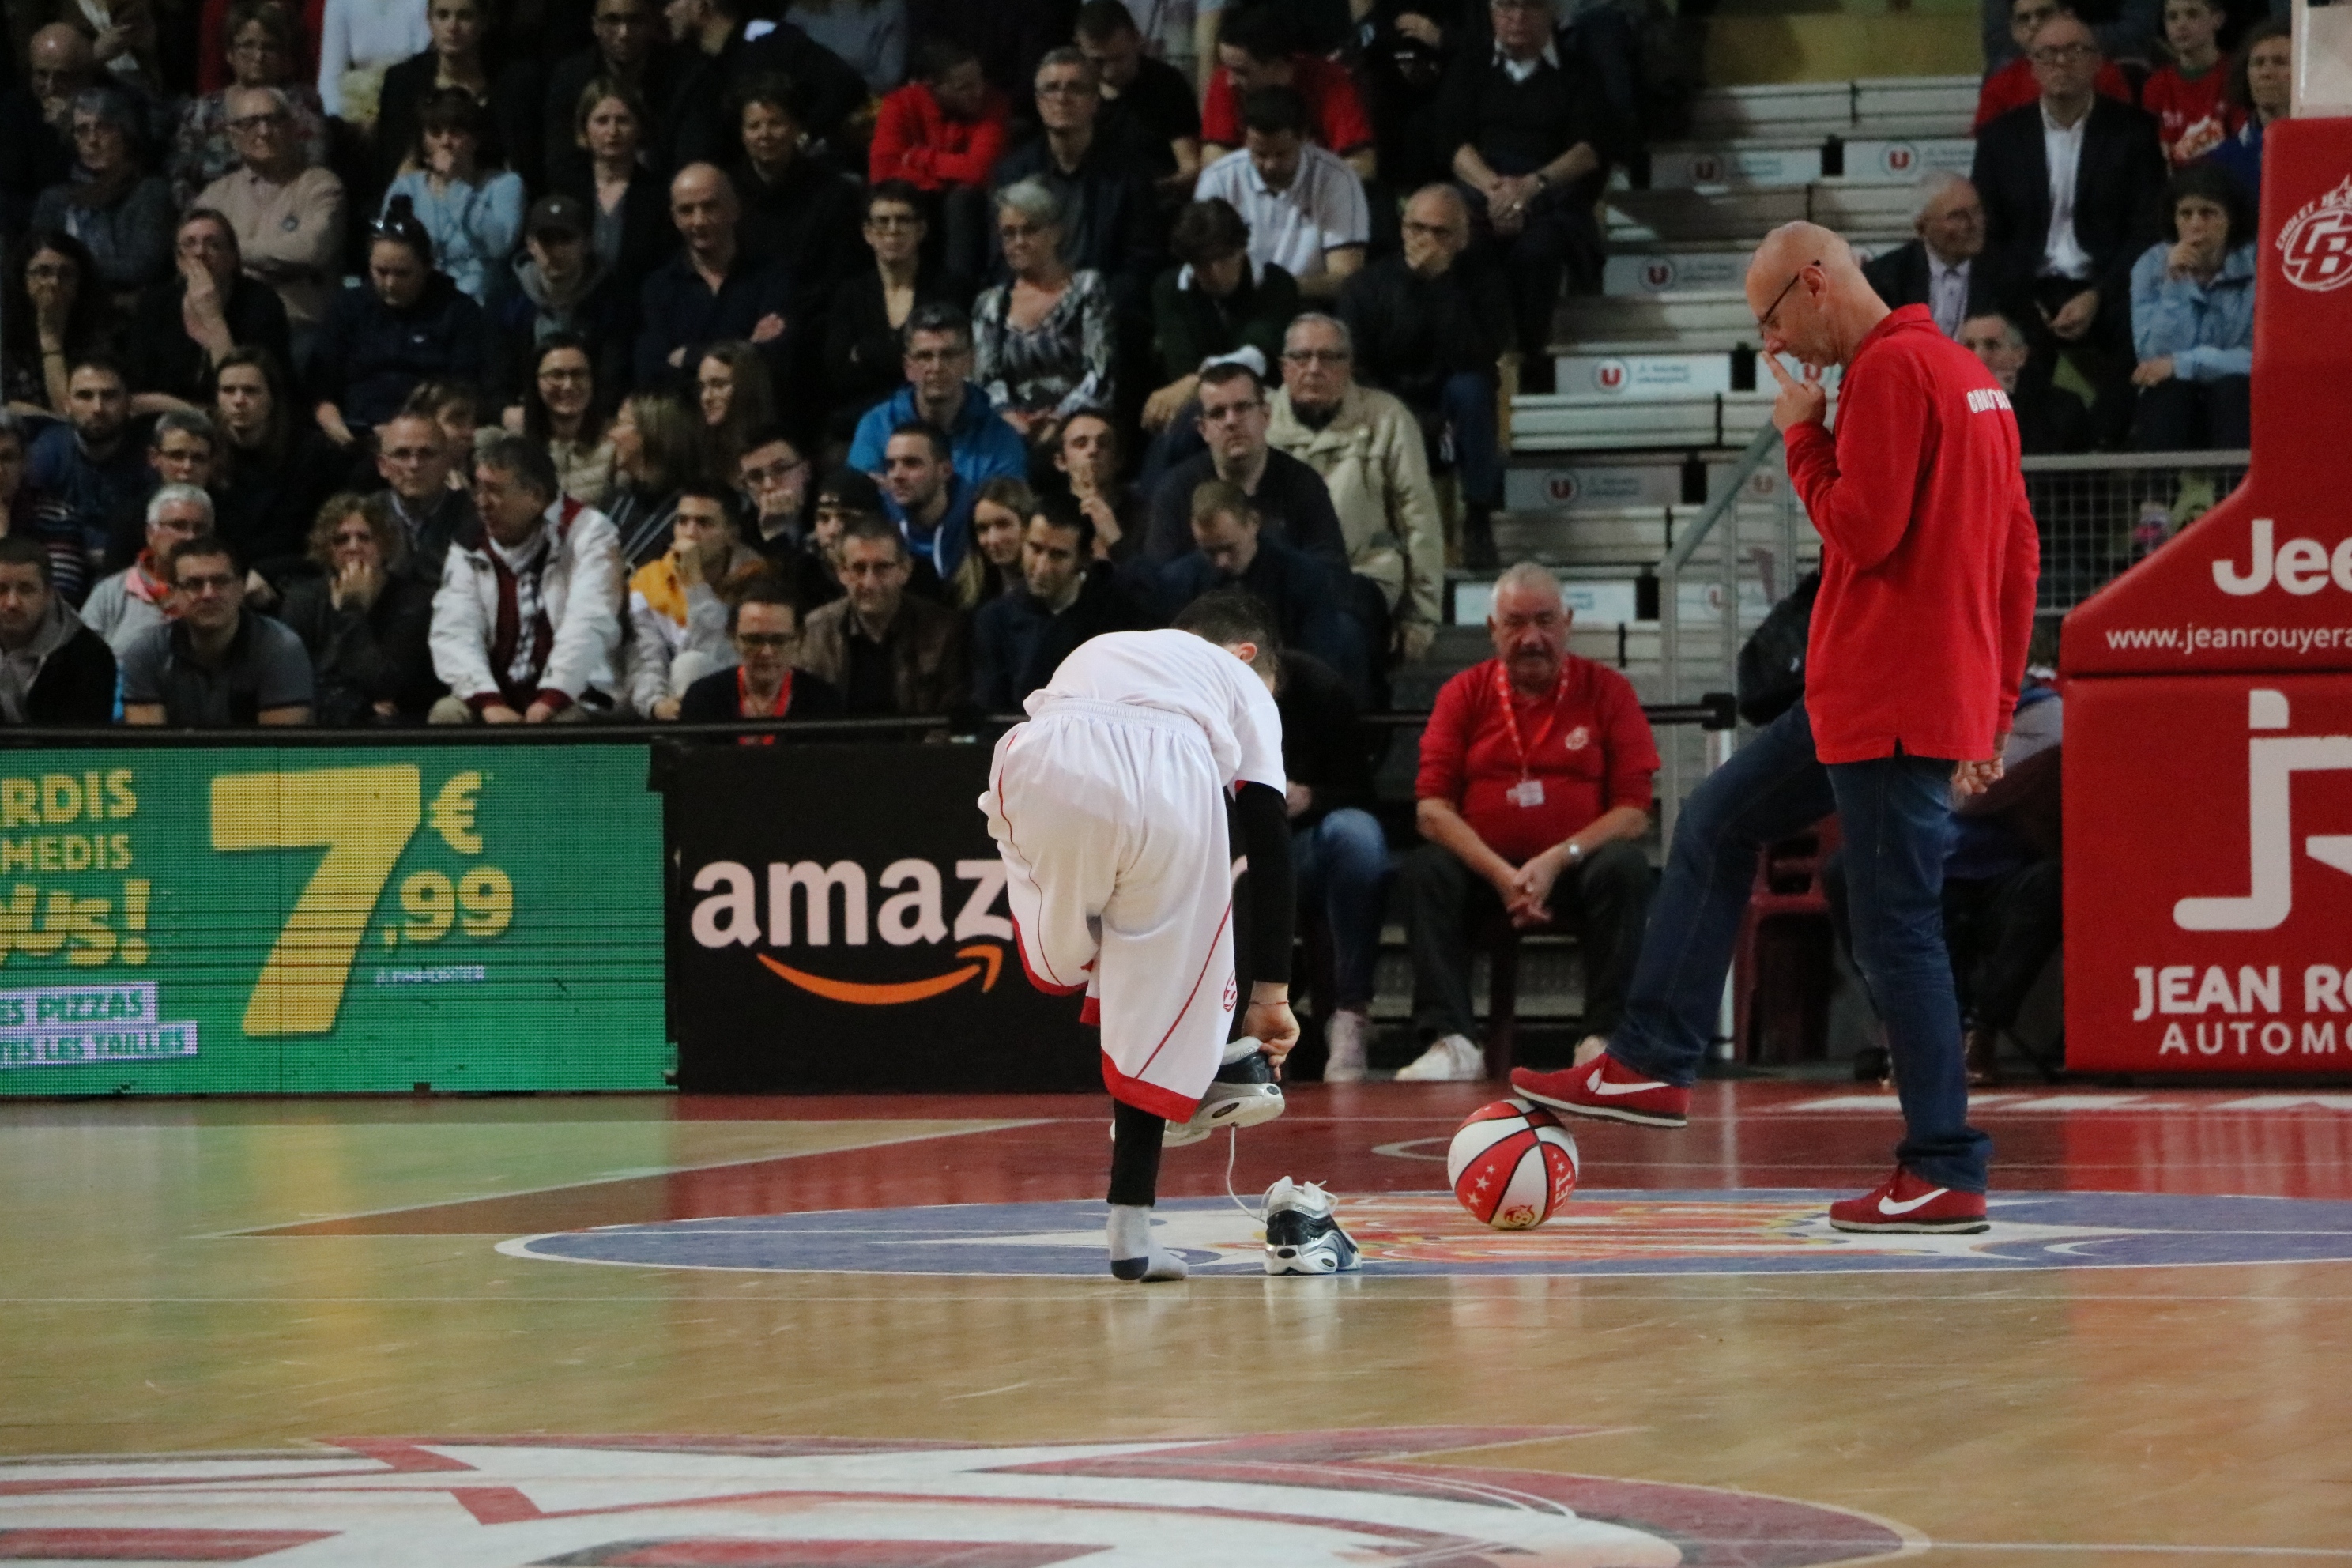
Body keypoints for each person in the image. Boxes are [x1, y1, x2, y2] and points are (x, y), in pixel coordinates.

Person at [1510, 223, 2039, 1236]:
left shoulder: (1887, 373)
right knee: (1715, 823)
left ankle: (1943, 1166)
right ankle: (1650, 1062)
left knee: (1898, 932)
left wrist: (1803, 430)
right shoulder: (1974, 380)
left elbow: (1862, 528)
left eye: (1773, 321)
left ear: (1813, 283)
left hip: (1883, 700)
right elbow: (2018, 555)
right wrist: (1996, 708)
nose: (1780, 347)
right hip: (1884, 697)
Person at [978, 591, 1309, 1281]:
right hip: (1174, 780)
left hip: (1044, 761)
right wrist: (1271, 995)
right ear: (1248, 657)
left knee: (1075, 962)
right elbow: (1271, 841)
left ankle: (1177, 1079)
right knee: (1149, 981)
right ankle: (1181, 1087)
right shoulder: (1244, 683)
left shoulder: (1113, 645)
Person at [1393, 562, 1657, 1082]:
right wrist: (1500, 874)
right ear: (1493, 629)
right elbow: (1431, 810)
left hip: (1577, 868)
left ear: (1568, 622)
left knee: (1627, 868)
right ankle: (1452, 1042)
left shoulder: (1608, 691)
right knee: (1424, 873)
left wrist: (1560, 858)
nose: (1532, 637)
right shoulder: (1463, 694)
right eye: (1515, 623)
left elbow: (1632, 811)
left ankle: (1604, 1039)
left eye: (1545, 620)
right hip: (1486, 871)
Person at [1972, 13, 2167, 450]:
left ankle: (2099, 444)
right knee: (2000, 340)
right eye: (2048, 54)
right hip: (2029, 286)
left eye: (2074, 51)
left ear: (2097, 62)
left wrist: (2097, 294)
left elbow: (2146, 229)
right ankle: (2036, 463)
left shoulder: (2133, 132)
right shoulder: (2000, 138)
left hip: (2108, 283)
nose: (2061, 62)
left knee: (2150, 328)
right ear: (2032, 65)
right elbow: (1989, 232)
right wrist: (2027, 297)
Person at [1436, 0, 1610, 394]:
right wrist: (1496, 190)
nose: (1516, 19)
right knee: (1468, 246)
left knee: (1538, 251)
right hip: (1483, 188)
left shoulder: (1578, 72)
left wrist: (1529, 188)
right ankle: (1485, 361)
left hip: (1549, 193)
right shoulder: (1471, 67)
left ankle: (1531, 357)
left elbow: (1589, 149)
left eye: (1529, 8)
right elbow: (1451, 140)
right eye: (1505, 8)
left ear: (1551, 11)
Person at [1338, 183, 1513, 569]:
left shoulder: (1483, 283)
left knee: (1472, 389)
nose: (1426, 240)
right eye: (1417, 228)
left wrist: (1441, 286)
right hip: (1390, 398)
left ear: (1463, 239)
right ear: (1402, 229)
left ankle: (1479, 518)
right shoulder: (1366, 287)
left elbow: (1480, 355)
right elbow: (1358, 368)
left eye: (1440, 232)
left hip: (1453, 399)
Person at [1268, 312, 1446, 666]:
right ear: (1284, 366)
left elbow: (1419, 520)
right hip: (1278, 582)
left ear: (1349, 365)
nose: (1314, 368)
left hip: (1364, 575)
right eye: (1302, 357)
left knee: (1338, 635)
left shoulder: (1389, 417)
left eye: (1329, 357)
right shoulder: (1259, 420)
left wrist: (1421, 617)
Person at [428, 434, 624, 722]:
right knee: (447, 714)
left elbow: (590, 623)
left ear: (535, 496)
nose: (481, 503)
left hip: (575, 693)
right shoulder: (469, 542)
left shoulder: (589, 532)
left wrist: (551, 699)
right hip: (497, 698)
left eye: (494, 491)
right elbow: (455, 630)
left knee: (570, 723)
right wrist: (488, 702)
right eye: (477, 489)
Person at [1274, 641, 1387, 1083]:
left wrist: (1311, 797)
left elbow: (1361, 793)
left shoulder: (1319, 688)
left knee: (1358, 837)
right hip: (1217, 845)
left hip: (1301, 841)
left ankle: (1350, 1013)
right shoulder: (1188, 697)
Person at [986, 49, 1163, 309]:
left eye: (1075, 88)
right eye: (1051, 88)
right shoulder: (1012, 174)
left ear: (1095, 101)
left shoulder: (1129, 173)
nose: (1062, 98)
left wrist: (1089, 303)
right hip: (1031, 308)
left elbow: (1140, 263)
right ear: (1038, 101)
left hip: (1103, 307)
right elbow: (1001, 259)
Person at [1155, 480, 1365, 696]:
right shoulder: (1178, 581)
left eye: (1229, 548)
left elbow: (1318, 666)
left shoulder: (1302, 577)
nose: (1221, 562)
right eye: (1209, 552)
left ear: (1253, 522)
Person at [1145, 361, 1350, 569]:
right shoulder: (1175, 491)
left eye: (1242, 408)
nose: (1231, 421)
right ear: (1203, 428)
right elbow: (1161, 584)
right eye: (1218, 413)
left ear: (1266, 415)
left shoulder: (1304, 484)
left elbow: (1331, 575)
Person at [311, 204, 487, 444]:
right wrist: (339, 431)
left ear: (427, 267)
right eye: (381, 272)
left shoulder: (458, 312)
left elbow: (463, 394)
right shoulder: (348, 308)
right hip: (356, 434)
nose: (391, 284)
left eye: (403, 273)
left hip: (429, 439)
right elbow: (322, 391)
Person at [196, 84, 349, 354]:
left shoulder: (321, 185)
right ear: (233, 135)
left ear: (291, 128)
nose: (264, 132)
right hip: (230, 320)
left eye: (273, 120)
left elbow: (311, 250)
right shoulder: (215, 195)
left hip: (298, 323)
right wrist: (276, 262)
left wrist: (230, 252)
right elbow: (195, 257)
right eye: (251, 123)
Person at [971, 490, 1149, 709]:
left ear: (1084, 559)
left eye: (1058, 555)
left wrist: (1119, 547)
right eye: (1035, 549)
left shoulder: (1116, 612)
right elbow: (992, 704)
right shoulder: (994, 620)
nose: (1042, 567)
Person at [1192, 86, 1369, 303]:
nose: (1270, 165)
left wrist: (1274, 289)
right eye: (1260, 154)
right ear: (1245, 139)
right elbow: (1204, 260)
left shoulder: (1338, 179)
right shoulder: (1218, 178)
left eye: (1281, 154)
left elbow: (1345, 277)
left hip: (1308, 303)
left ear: (1304, 137)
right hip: (1236, 302)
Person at [972, 179, 1118, 443]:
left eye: (1029, 231)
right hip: (1013, 430)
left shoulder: (1086, 288)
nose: (1018, 242)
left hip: (1079, 424)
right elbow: (985, 379)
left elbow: (1100, 373)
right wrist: (1013, 419)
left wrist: (1058, 421)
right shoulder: (990, 303)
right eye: (1009, 233)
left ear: (1056, 233)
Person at [632, 163, 796, 394]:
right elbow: (652, 373)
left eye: (710, 207)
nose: (698, 221)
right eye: (687, 210)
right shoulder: (659, 287)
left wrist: (688, 356)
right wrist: (748, 349)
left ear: (734, 208)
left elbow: (775, 361)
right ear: (675, 218)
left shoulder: (771, 276)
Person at [277, 491, 440, 722]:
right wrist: (357, 705)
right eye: (341, 540)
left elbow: (386, 685)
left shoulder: (414, 602)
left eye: (365, 537)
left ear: (383, 544)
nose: (353, 547)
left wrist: (351, 609)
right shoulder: (303, 599)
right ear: (327, 549)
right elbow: (294, 681)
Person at [823, 182, 967, 441]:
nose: (892, 230)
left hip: (932, 417)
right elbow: (838, 375)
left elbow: (944, 364)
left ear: (921, 229)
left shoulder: (947, 288)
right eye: (882, 221)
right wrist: (902, 356)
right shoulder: (850, 294)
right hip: (860, 418)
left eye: (903, 220)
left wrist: (866, 351)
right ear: (867, 232)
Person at [121, 535, 315, 725]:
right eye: (194, 584)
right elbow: (149, 751)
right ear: (174, 594)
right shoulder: (146, 652)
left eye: (221, 582)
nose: (209, 594)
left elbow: (278, 751)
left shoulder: (280, 648)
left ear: (241, 588)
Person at [1147, 197, 1299, 435]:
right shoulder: (1170, 288)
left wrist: (1196, 380)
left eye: (1224, 258)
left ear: (1241, 249)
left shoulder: (1276, 283)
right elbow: (1181, 367)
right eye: (1203, 263)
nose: (1215, 271)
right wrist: (1191, 382)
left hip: (1265, 403)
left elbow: (1258, 355)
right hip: (1201, 409)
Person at [2129, 163, 2254, 451]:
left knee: (2232, 388)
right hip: (2176, 403)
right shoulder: (2150, 266)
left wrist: (2183, 364)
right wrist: (2175, 285)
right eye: (2185, 214)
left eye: (2208, 213)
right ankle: (2154, 498)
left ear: (2231, 219)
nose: (2196, 225)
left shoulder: (2262, 267)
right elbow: (2152, 358)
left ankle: (2235, 494)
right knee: (2167, 392)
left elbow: (2257, 360)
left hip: (2237, 400)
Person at [792, 510, 966, 714]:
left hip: (917, 745)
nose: (869, 583)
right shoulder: (815, 632)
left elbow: (948, 717)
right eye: (858, 568)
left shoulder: (943, 631)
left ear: (905, 570)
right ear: (842, 572)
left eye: (882, 568)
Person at [724, 74, 862, 325]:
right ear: (743, 135)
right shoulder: (724, 191)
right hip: (741, 318)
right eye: (754, 126)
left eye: (775, 123)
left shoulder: (833, 193)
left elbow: (839, 274)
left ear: (796, 128)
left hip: (813, 320)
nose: (764, 134)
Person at [846, 304, 1030, 489]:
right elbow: (859, 503)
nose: (937, 367)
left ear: (970, 361)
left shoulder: (1000, 438)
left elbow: (1003, 509)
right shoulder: (876, 426)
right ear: (908, 367)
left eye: (948, 355)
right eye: (925, 356)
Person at [169, 1, 330, 209]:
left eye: (269, 47)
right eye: (248, 45)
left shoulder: (303, 104)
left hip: (281, 211)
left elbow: (312, 165)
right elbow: (181, 176)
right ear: (230, 53)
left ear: (284, 55)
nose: (258, 57)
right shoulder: (202, 110)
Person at [869, 37, 1009, 275]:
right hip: (919, 198)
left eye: (979, 81)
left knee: (962, 200)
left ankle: (958, 290)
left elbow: (981, 170)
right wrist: (936, 184)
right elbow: (882, 170)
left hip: (972, 204)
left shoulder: (994, 103)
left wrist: (920, 158)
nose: (977, 92)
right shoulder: (900, 104)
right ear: (933, 87)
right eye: (963, 88)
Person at [484, 197, 635, 416]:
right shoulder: (506, 299)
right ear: (531, 244)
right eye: (546, 240)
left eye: (566, 239)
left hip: (593, 418)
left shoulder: (612, 300)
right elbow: (495, 379)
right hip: (523, 415)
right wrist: (507, 412)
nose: (556, 250)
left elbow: (614, 378)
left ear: (586, 243)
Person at [126, 210, 294, 408]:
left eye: (213, 244)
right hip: (165, 422)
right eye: (189, 244)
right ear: (179, 260)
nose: (200, 253)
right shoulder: (156, 303)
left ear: (232, 257)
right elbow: (138, 392)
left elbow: (246, 391)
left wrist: (214, 319)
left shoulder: (261, 302)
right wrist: (194, 413)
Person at [211, 347, 345, 592]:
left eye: (251, 391)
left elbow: (318, 539)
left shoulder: (311, 453)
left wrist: (268, 573)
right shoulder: (205, 451)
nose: (239, 401)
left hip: (290, 577)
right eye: (228, 391)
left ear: (272, 397)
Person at [628, 481, 764, 718]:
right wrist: (655, 704)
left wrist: (694, 585)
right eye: (682, 521)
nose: (690, 533)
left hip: (746, 701)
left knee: (691, 664)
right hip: (676, 701)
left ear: (732, 535)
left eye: (704, 523)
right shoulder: (648, 581)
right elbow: (645, 657)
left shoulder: (756, 578)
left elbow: (718, 655)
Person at [380, 87, 525, 303]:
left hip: (479, 305)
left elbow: (499, 246)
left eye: (456, 132)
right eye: (435, 132)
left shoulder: (505, 185)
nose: (445, 142)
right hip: (419, 304)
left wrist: (456, 187)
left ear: (476, 139)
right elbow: (388, 247)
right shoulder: (406, 188)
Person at [375, 0, 539, 191]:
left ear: (484, 21)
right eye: (443, 15)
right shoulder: (403, 82)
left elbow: (526, 167)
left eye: (465, 16)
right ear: (429, 20)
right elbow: (391, 165)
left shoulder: (516, 83)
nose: (452, 27)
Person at [31, 86, 175, 300]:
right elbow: (39, 262)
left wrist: (69, 266)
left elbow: (138, 269)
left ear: (126, 134)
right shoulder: (55, 200)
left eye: (103, 128)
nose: (92, 140)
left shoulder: (150, 192)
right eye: (82, 130)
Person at [1199, 3, 1374, 177]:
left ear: (1278, 66)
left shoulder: (1330, 81)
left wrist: (1301, 188)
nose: (1230, 80)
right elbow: (1214, 160)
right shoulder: (1225, 79)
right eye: (1227, 68)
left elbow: (1362, 163)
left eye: (1242, 72)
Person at [557, 81, 677, 315]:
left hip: (638, 313)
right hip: (575, 312)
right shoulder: (566, 187)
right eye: (602, 121)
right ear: (585, 129)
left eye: (622, 120)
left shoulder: (658, 193)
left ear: (639, 127)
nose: (612, 132)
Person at [541, 0, 686, 194]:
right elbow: (560, 160)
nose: (624, 33)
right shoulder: (570, 77)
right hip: (587, 197)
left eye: (635, 21)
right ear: (595, 26)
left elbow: (690, 158)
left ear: (653, 24)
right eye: (612, 20)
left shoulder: (685, 76)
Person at [1860, 174, 2013, 341]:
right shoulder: (1885, 278)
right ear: (1921, 227)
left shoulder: (2008, 277)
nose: (1972, 224)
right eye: (1957, 216)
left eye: (1977, 212)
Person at [677, 576, 846, 726]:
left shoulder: (823, 703)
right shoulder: (703, 697)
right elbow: (653, 757)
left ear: (799, 639)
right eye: (754, 640)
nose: (767, 652)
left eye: (779, 641)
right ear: (732, 637)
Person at [28, 356, 144, 571]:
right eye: (85, 396)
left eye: (109, 396)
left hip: (127, 572)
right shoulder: (48, 450)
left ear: (129, 404)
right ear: (67, 404)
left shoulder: (150, 457)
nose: (98, 408)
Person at [1076, 0, 1200, 194]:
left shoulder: (1167, 84)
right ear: (1079, 47)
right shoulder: (1073, 89)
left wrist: (1142, 191)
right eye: (1097, 61)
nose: (1110, 72)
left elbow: (1190, 168)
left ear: (1137, 39)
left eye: (1119, 58)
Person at [85, 480, 211, 656]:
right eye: (178, 526)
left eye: (200, 529)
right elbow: (82, 664)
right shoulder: (111, 593)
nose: (190, 537)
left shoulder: (216, 593)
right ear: (151, 533)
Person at [0, 533, 116, 725]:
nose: (12, 603)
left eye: (26, 589)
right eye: (1, 589)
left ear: (48, 594)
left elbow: (80, 746)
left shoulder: (90, 656)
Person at [1973, 0, 2134, 133]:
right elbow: (1989, 148)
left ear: (2068, 16)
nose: (2034, 24)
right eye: (2024, 19)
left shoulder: (2103, 73)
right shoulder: (1999, 86)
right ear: (2014, 31)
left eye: (2044, 14)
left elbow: (2125, 135)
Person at [96, 407, 218, 577]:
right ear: (154, 457)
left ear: (211, 464)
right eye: (177, 456)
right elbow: (114, 584)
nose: (187, 467)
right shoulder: (130, 517)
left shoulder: (232, 514)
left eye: (198, 458)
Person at [2, 231, 113, 414]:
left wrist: (50, 337)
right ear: (23, 280)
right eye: (43, 272)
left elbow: (72, 413)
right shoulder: (6, 331)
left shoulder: (101, 333)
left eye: (66, 274)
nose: (54, 282)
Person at [1959, 311, 2090, 455]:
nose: (1979, 357)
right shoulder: (1942, 405)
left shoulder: (2062, 408)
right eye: (1969, 346)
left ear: (2020, 356)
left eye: (1992, 346)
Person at [370, 405, 474, 582]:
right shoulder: (365, 518)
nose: (414, 465)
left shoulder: (475, 517)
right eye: (402, 454)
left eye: (426, 453)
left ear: (447, 462)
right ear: (383, 466)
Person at [605, 391, 705, 567]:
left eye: (621, 423)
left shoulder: (688, 512)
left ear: (650, 433)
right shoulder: (616, 497)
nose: (612, 434)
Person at [516, 335, 618, 508]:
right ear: (536, 382)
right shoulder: (516, 446)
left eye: (579, 374)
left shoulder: (615, 447)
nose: (568, 385)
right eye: (557, 375)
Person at [0, 412, 87, 611]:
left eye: (7, 458)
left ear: (24, 463)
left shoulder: (58, 519)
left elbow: (59, 608)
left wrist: (5, 543)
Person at [2141, 0, 2240, 167]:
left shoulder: (2236, 75)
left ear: (2218, 20)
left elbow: (2242, 141)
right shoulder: (2155, 86)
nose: (2181, 25)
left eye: (2192, 14)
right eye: (2172, 17)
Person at [878, 421, 977, 582]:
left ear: (945, 471)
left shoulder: (976, 522)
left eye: (911, 464)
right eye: (890, 465)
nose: (897, 475)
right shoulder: (880, 519)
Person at [2205, 17, 2288, 202]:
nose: (2266, 72)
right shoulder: (2224, 160)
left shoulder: (2326, 149)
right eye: (2258, 63)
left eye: (2280, 62)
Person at [1054, 409, 1148, 563]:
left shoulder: (1146, 516)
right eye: (1081, 443)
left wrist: (1115, 539)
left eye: (1103, 443)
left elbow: (1150, 582)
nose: (1093, 450)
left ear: (1119, 460)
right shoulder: (1046, 515)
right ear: (1061, 461)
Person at [317, 0, 432, 123]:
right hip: (358, 117)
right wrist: (338, 124)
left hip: (411, 107)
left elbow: (426, 63)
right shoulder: (340, 3)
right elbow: (330, 78)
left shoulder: (421, 3)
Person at [783, 0, 907, 96]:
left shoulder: (889, 7)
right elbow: (788, 71)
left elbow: (889, 77)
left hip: (867, 108)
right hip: (807, 105)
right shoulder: (798, 10)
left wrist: (839, 88)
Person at [695, 341, 777, 481]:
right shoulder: (702, 455)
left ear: (747, 386)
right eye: (702, 387)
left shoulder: (777, 453)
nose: (706, 397)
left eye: (719, 385)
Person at [953, 474, 1034, 611]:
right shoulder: (965, 596)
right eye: (983, 529)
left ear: (1027, 525)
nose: (993, 539)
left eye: (1003, 525)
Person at [737, 424, 815, 564]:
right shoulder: (742, 538)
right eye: (755, 476)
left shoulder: (833, 514)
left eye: (780, 469)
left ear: (806, 470)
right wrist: (776, 536)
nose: (769, 484)